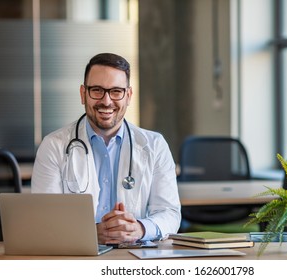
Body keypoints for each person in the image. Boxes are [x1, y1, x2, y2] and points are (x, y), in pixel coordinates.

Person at [31, 53, 181, 245]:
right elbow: (45, 219)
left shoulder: (155, 145)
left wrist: (139, 229)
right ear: (83, 94)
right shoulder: (53, 145)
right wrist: (89, 233)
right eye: (97, 90)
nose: (107, 101)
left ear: (128, 96)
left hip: (136, 257)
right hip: (78, 256)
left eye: (116, 91)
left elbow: (170, 213)